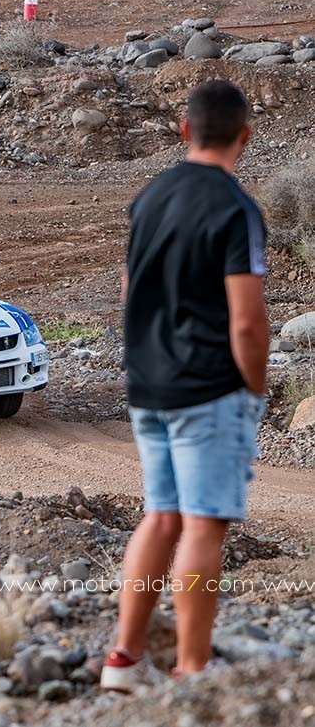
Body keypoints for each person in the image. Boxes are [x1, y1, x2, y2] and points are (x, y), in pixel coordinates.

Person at [101, 79, 270, 693]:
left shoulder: (151, 196)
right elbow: (247, 320)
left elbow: (128, 291)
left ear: (184, 131)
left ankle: (123, 659)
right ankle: (194, 669)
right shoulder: (236, 208)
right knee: (202, 525)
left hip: (150, 383)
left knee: (161, 518)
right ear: (244, 136)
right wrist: (254, 387)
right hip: (209, 387)